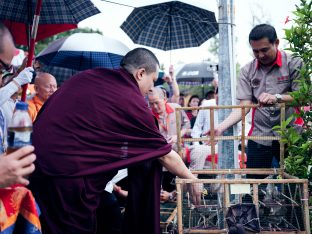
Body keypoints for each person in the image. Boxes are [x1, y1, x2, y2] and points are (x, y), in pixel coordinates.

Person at [29, 48, 201, 234]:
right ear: (140, 73)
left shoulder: (90, 76)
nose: (148, 91)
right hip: (65, 176)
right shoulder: (130, 99)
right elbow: (164, 155)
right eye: (151, 83)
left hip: (35, 166)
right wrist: (191, 179)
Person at [209, 24, 303, 174]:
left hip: (291, 135)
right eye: (255, 51)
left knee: (294, 187)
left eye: (264, 50)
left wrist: (277, 98)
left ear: (276, 43)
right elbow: (244, 106)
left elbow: (303, 97)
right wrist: (220, 127)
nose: (260, 55)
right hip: (260, 136)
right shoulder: (247, 71)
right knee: (253, 188)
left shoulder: (294, 63)